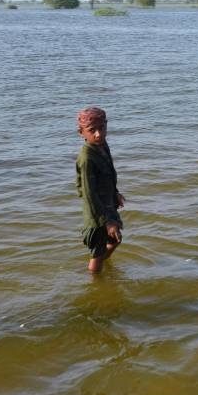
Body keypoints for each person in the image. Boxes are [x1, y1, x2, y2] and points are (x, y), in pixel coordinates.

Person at [75, 106, 125, 273]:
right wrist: (107, 221)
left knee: (115, 240)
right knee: (97, 252)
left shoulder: (103, 145)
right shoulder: (86, 157)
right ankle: (95, 282)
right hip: (97, 214)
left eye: (101, 128)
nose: (98, 134)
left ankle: (101, 269)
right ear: (81, 133)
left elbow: (109, 171)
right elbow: (89, 194)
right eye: (92, 130)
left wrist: (115, 192)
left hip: (107, 204)